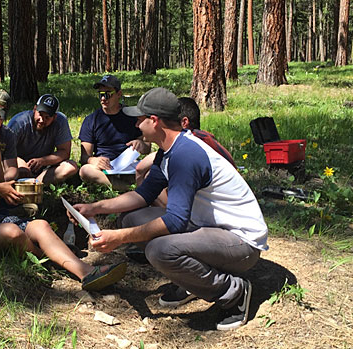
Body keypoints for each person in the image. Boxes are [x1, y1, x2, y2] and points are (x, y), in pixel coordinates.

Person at [71, 88, 268, 330]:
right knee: (132, 219)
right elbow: (143, 195)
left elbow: (174, 221)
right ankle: (193, 280)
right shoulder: (169, 150)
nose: (136, 124)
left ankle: (233, 292)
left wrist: (119, 239)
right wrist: (94, 208)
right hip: (209, 229)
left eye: (139, 118)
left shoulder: (185, 155)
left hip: (241, 243)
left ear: (154, 121)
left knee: (159, 250)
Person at [0, 96, 126, 291]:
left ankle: (86, 272)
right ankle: (51, 262)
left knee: (41, 225)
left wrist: (11, 193)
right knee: (11, 232)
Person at [135, 97, 236, 187]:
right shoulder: (203, 138)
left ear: (184, 122)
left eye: (170, 121)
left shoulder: (191, 145)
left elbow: (140, 167)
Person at [78, 75, 150, 188]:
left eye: (108, 94)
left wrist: (141, 144)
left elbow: (147, 148)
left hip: (129, 165)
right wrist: (93, 160)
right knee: (85, 170)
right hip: (104, 168)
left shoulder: (131, 116)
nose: (103, 98)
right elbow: (84, 157)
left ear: (119, 94)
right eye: (101, 95)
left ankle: (125, 187)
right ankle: (127, 189)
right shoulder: (91, 120)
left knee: (151, 169)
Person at [7, 94, 78, 185]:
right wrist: (20, 163)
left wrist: (43, 161)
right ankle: (25, 184)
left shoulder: (60, 121)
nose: (41, 120)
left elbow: (64, 152)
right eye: (40, 114)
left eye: (47, 117)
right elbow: (4, 151)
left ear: (55, 117)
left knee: (70, 167)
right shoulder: (19, 122)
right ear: (34, 109)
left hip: (44, 169)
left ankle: (37, 184)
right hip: (18, 166)